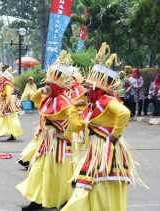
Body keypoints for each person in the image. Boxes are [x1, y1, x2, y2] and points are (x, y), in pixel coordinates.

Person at [61, 43, 141, 211]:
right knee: (90, 186)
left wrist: (114, 135)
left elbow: (125, 113)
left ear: (98, 88)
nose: (87, 90)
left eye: (90, 87)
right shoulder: (92, 104)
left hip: (106, 148)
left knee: (98, 186)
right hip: (95, 150)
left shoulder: (106, 100)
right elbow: (77, 127)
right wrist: (73, 107)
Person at [16, 51, 84, 210]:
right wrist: (41, 91)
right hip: (45, 142)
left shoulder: (64, 101)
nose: (46, 86)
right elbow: (35, 101)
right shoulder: (49, 99)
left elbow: (76, 123)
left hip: (57, 143)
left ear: (56, 86)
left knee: (55, 173)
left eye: (49, 84)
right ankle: (37, 200)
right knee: (38, 170)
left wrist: (65, 135)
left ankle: (60, 199)